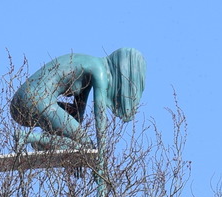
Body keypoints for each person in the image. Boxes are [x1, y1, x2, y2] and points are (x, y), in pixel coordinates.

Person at [11, 48, 146, 151]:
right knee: (87, 145)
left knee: (80, 145)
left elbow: (77, 115)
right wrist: (101, 160)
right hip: (36, 101)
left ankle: (39, 141)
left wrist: (74, 151)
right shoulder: (99, 69)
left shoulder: (86, 67)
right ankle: (29, 137)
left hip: (18, 105)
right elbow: (100, 115)